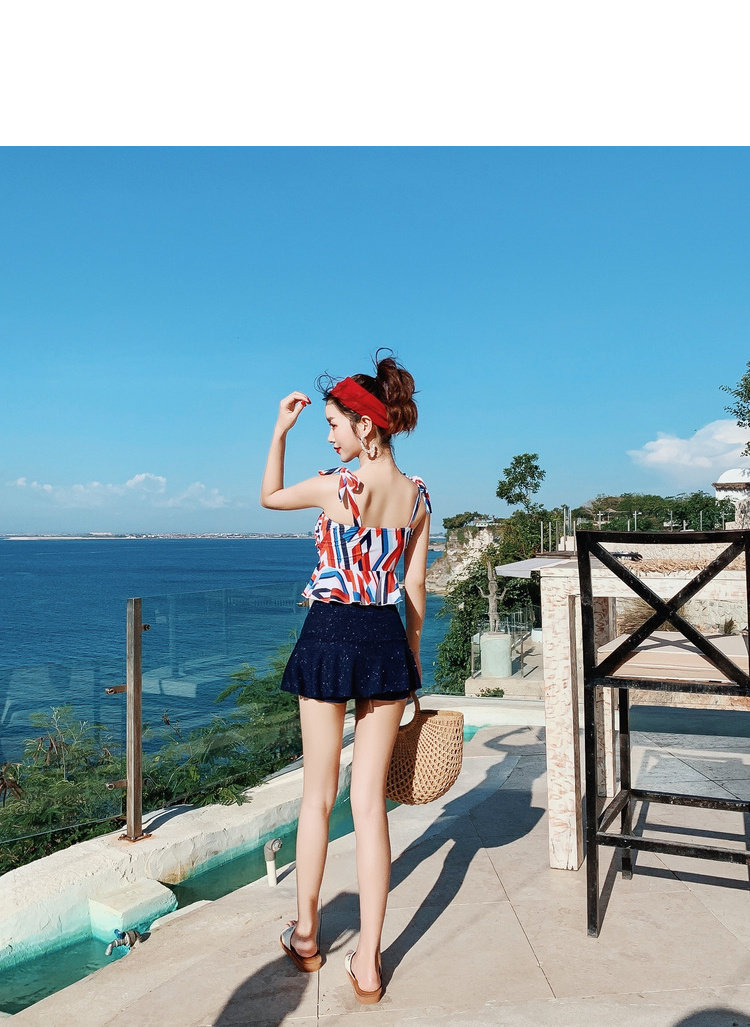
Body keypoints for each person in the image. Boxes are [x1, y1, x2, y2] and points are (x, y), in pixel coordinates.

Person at [260, 352, 430, 1004]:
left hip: (329, 634)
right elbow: (414, 588)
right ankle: (369, 962)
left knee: (317, 796)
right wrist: (411, 659)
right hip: (384, 640)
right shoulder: (418, 495)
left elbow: (270, 497)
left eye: (333, 423)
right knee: (369, 805)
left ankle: (307, 936)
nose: (329, 436)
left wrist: (279, 430)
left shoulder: (338, 486)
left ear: (365, 424)